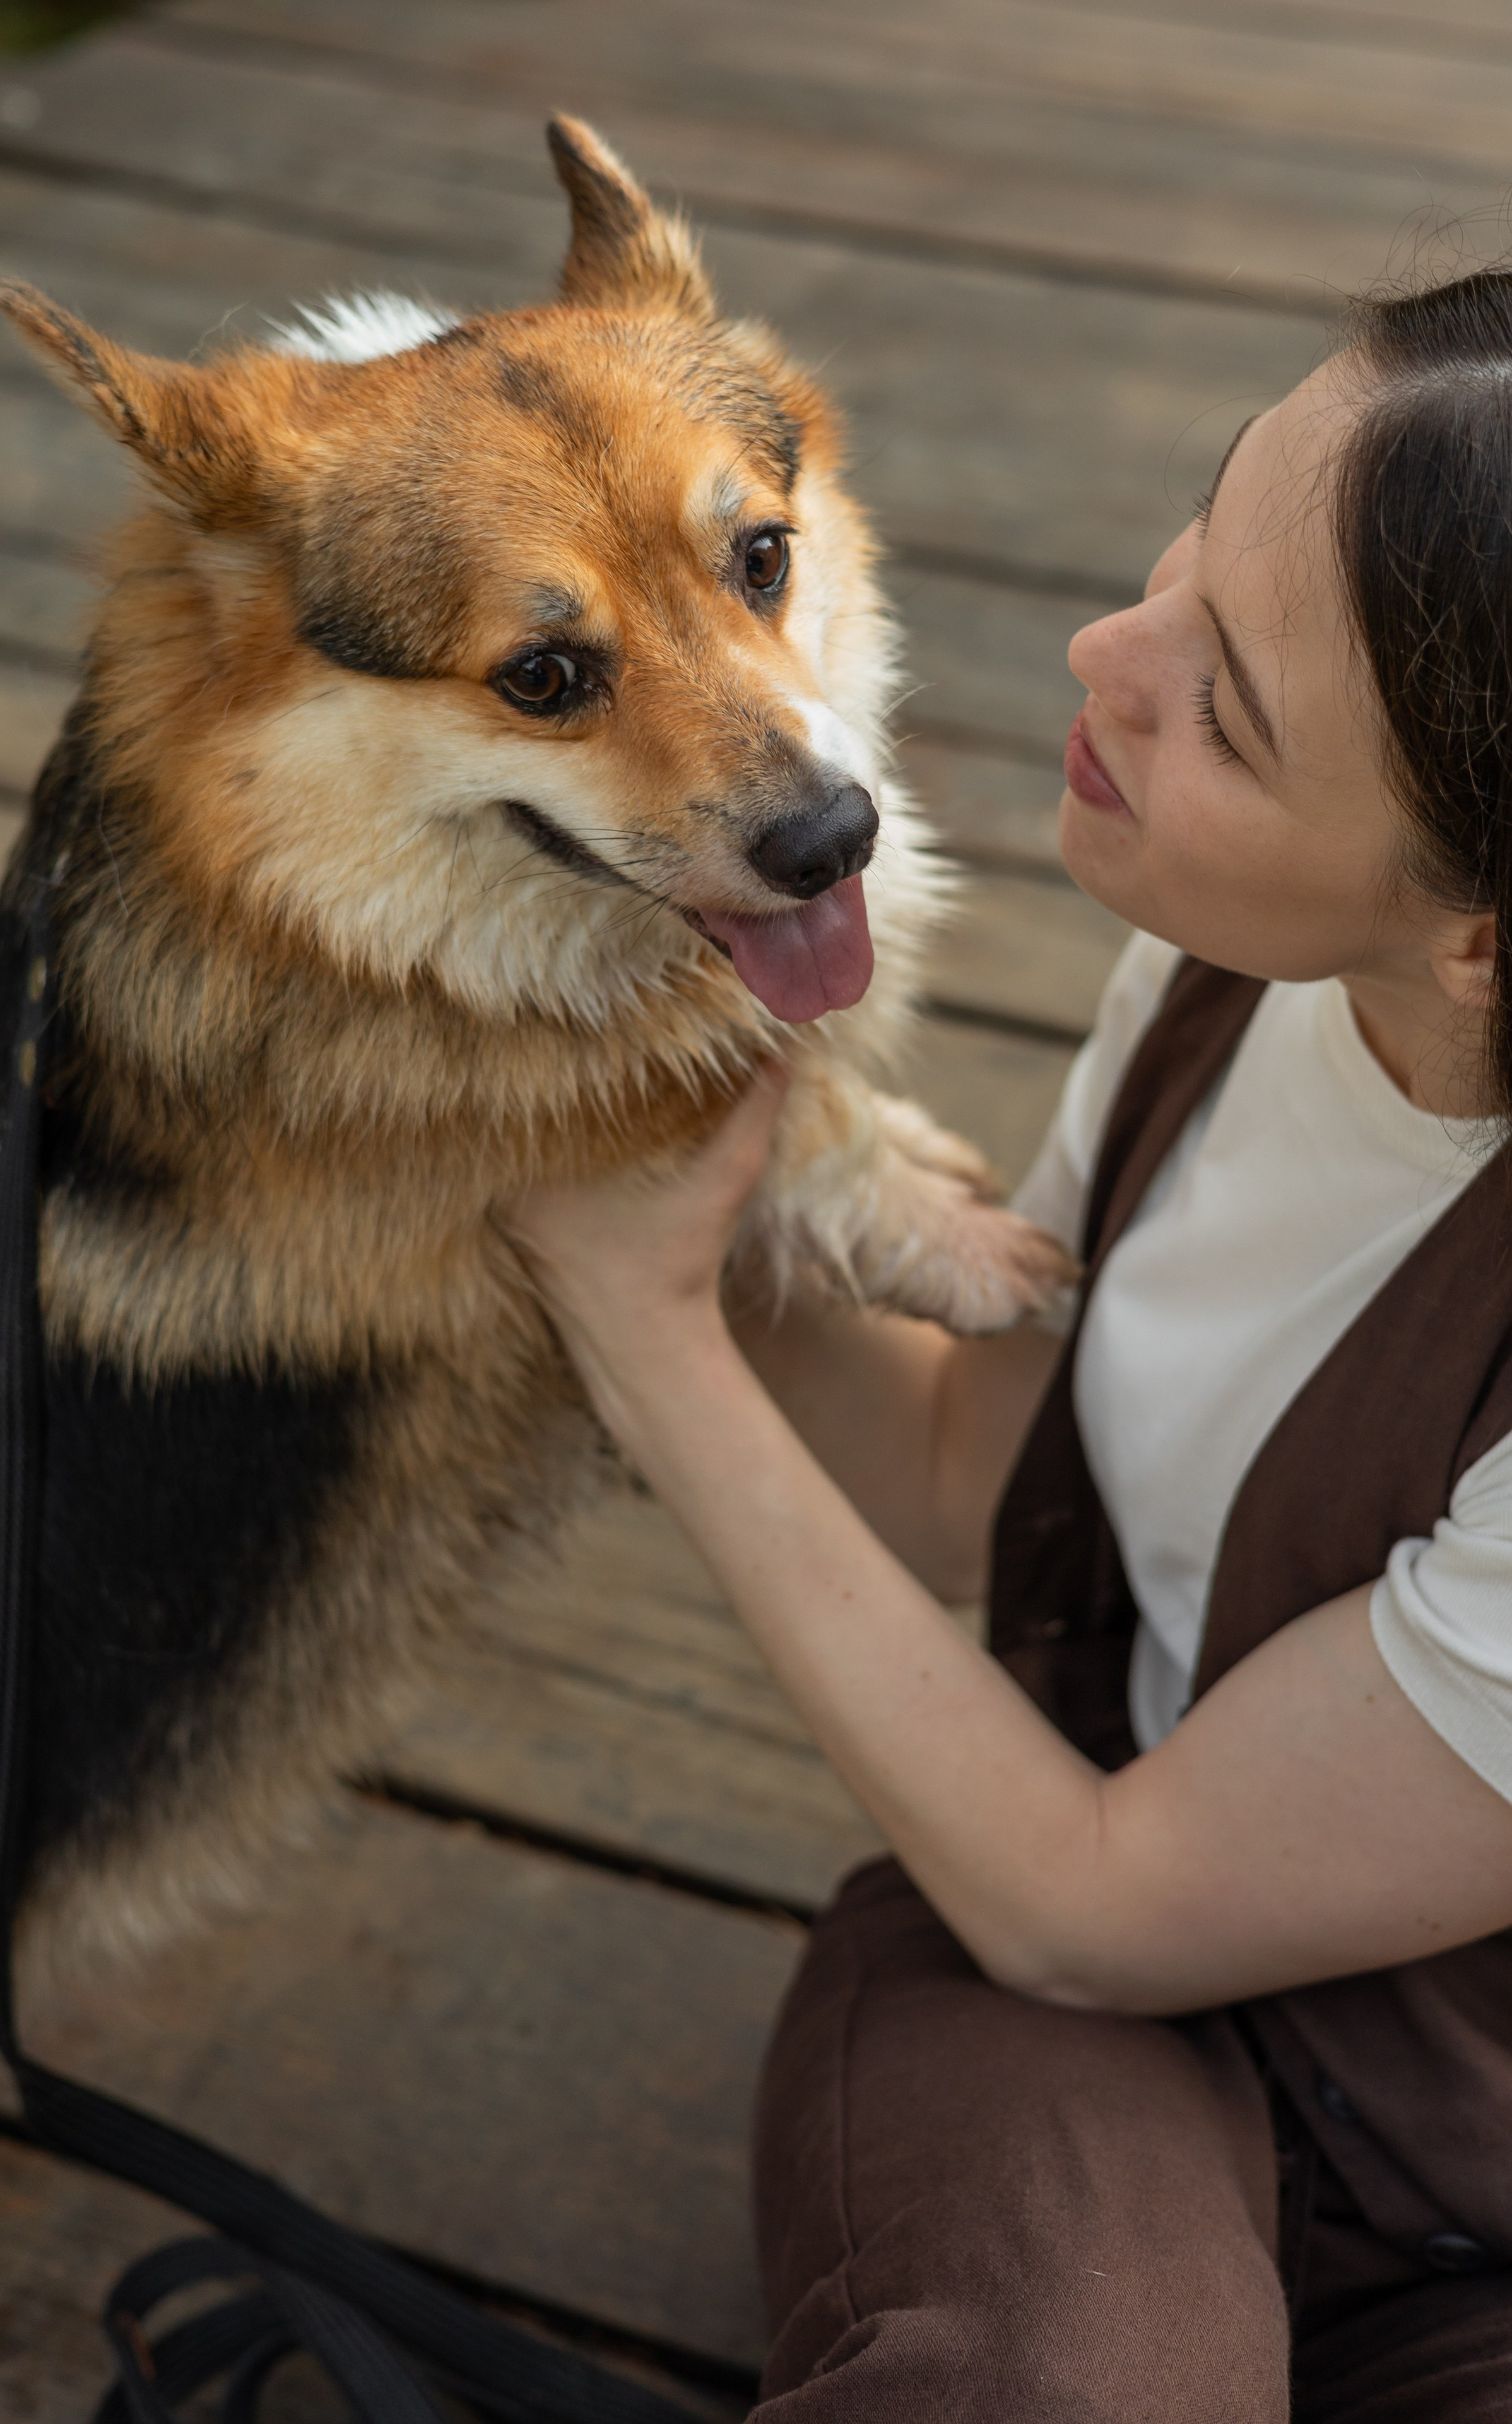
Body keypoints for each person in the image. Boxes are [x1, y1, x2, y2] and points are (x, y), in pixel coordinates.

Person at [505, 270, 1512, 2420]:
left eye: (1229, 709)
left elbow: (1096, 1898)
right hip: (1075, 2017)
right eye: (1198, 533)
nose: (1104, 654)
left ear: (1483, 936)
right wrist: (614, 1166)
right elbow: (982, 1464)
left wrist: (646, 1330)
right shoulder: (1243, 956)